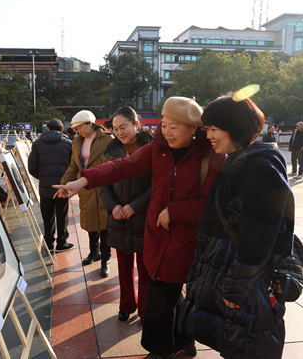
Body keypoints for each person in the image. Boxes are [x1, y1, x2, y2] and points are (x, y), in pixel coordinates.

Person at [54, 97, 224, 358]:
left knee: (161, 296)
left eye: (174, 127)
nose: (166, 132)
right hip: (155, 234)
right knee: (169, 291)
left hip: (184, 238)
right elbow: (125, 166)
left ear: (193, 129)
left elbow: (210, 205)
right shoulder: (158, 148)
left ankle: (160, 351)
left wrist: (173, 211)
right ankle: (183, 343)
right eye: (164, 125)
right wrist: (84, 180)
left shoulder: (211, 156)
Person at [180, 92, 293, 359]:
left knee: (249, 345)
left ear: (236, 126)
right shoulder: (238, 160)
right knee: (235, 342)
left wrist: (237, 288)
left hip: (244, 283)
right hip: (229, 274)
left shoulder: (259, 167)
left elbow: (260, 236)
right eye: (207, 129)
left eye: (214, 129)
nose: (208, 135)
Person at [99, 106, 153, 322]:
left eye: (124, 127)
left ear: (136, 125)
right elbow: (103, 183)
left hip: (143, 217)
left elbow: (157, 184)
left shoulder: (150, 149)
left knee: (146, 269)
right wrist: (113, 207)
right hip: (119, 218)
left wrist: (135, 206)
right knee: (123, 267)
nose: (120, 132)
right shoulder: (111, 151)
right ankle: (126, 304)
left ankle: (145, 310)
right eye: (115, 129)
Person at [60, 110, 114, 277]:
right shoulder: (76, 142)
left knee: (105, 225)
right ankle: (94, 252)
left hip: (104, 187)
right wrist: (63, 184)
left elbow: (114, 165)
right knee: (90, 223)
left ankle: (106, 258)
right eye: (76, 128)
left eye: (80, 127)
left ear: (90, 124)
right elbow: (74, 166)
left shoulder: (108, 139)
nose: (78, 131)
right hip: (86, 188)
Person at [28, 119, 74, 253]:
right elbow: (73, 166)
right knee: (62, 214)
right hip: (63, 186)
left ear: (47, 128)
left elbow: (32, 167)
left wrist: (42, 177)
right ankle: (62, 243)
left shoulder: (37, 143)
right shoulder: (68, 143)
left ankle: (48, 243)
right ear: (61, 129)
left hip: (45, 186)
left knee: (47, 216)